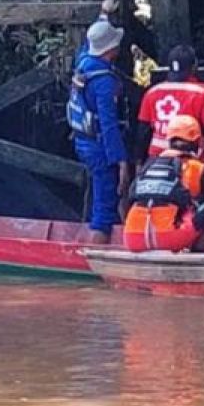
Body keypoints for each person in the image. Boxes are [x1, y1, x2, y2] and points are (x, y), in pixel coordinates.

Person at [69, 19, 132, 244]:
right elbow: (109, 126)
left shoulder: (83, 61)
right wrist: (121, 160)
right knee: (104, 212)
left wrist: (104, 14)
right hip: (99, 147)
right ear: (111, 50)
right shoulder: (104, 82)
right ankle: (94, 263)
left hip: (82, 141)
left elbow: (88, 43)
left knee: (101, 198)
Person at [123, 115, 204, 253]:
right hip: (170, 239)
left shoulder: (148, 165)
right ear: (198, 142)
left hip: (132, 237)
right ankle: (199, 249)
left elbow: (127, 200)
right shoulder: (197, 168)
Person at [136, 44, 204, 161]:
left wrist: (139, 163)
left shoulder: (152, 92)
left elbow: (143, 134)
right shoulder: (203, 93)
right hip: (190, 163)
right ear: (194, 67)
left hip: (156, 161)